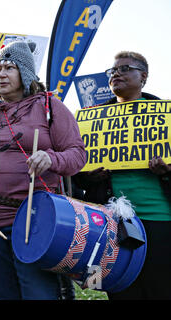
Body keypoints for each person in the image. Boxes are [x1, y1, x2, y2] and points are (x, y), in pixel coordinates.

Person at [0, 41, 86, 300]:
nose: (1, 74)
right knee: (0, 294)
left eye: (9, 68)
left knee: (38, 293)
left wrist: (51, 159)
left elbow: (77, 155)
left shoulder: (49, 107)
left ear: (25, 72)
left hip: (36, 219)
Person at [73, 51, 171, 300]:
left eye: (125, 68)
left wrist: (168, 172)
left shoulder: (164, 117)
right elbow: (76, 171)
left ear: (143, 77)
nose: (116, 73)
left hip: (159, 217)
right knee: (120, 290)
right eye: (113, 71)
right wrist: (88, 177)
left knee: (161, 287)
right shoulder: (92, 119)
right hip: (110, 222)